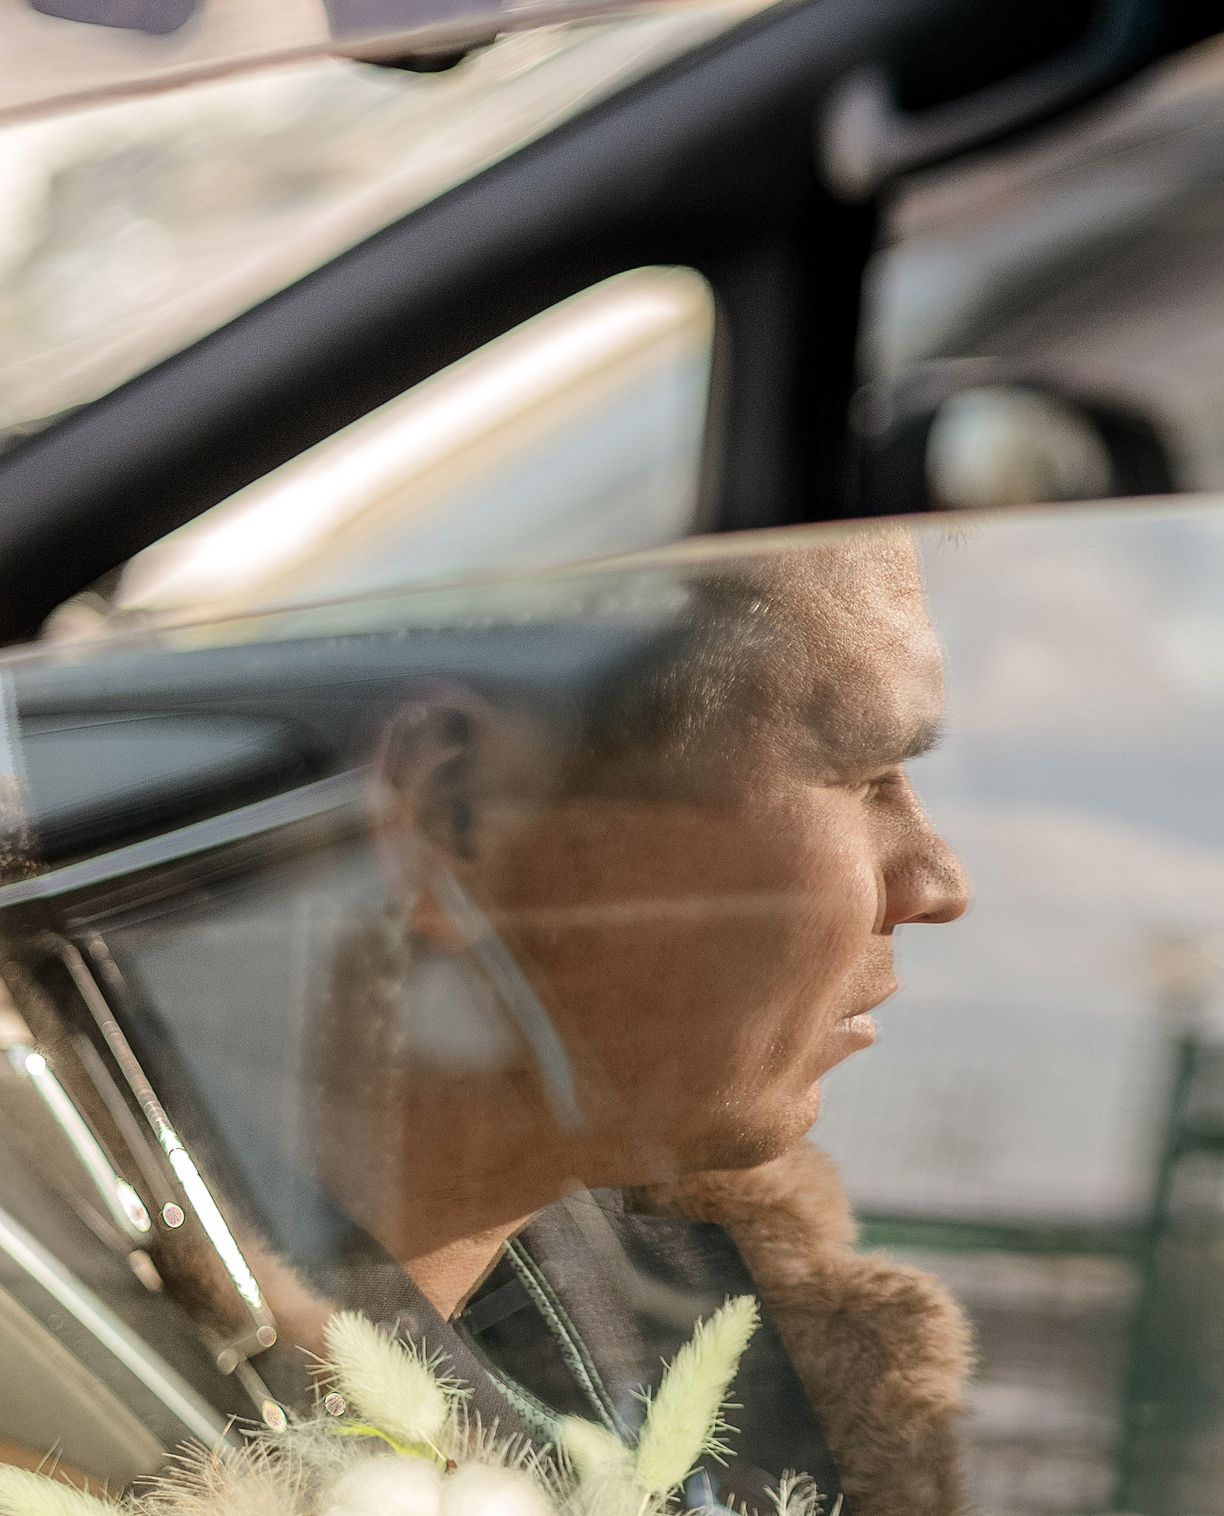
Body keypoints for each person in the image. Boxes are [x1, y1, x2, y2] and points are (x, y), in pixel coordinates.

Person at [63, 533, 977, 1516]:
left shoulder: (707, 1317)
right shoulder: (56, 1368)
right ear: (459, 809)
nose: (938, 883)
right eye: (863, 774)